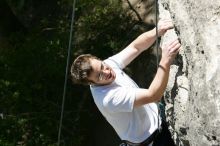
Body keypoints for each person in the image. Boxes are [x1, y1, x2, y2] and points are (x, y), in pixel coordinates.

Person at [71, 19, 181, 146]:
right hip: (154, 141)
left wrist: (156, 31)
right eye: (100, 75)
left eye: (102, 65)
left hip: (158, 117)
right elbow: (153, 95)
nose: (106, 72)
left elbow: (136, 47)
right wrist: (165, 60)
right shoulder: (108, 99)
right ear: (91, 83)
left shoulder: (108, 65)